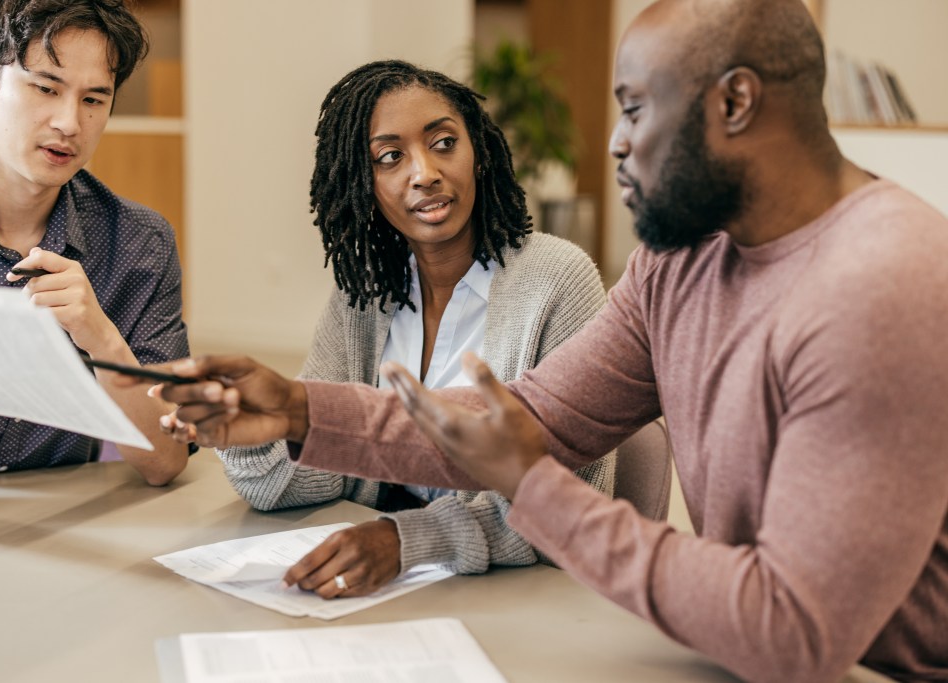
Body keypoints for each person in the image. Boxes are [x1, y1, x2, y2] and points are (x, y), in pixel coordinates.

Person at [124, 0, 948, 680]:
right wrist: (297, 408)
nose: (616, 141)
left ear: (734, 103)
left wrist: (536, 488)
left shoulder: (885, 282)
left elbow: (793, 630)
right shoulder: (681, 263)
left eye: (633, 108)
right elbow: (519, 421)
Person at [214, 60, 614, 598]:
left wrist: (411, 539)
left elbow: (569, 503)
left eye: (444, 143)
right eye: (390, 157)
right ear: (365, 183)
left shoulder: (558, 282)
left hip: (519, 598)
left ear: (479, 154)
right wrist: (254, 433)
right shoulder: (365, 295)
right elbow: (318, 476)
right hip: (385, 592)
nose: (423, 172)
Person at [0, 0, 190, 486]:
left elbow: (166, 461)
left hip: (69, 516)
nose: (70, 123)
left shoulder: (140, 243)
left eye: (93, 100)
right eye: (46, 88)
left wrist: (101, 338)